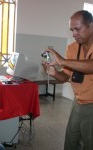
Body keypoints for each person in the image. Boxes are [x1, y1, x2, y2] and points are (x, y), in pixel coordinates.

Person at [42, 10, 93, 150]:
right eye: (72, 30)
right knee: (71, 141)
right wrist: (54, 74)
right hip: (77, 102)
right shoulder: (72, 48)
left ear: (91, 26)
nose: (74, 33)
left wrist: (64, 61)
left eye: (77, 29)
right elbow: (65, 77)